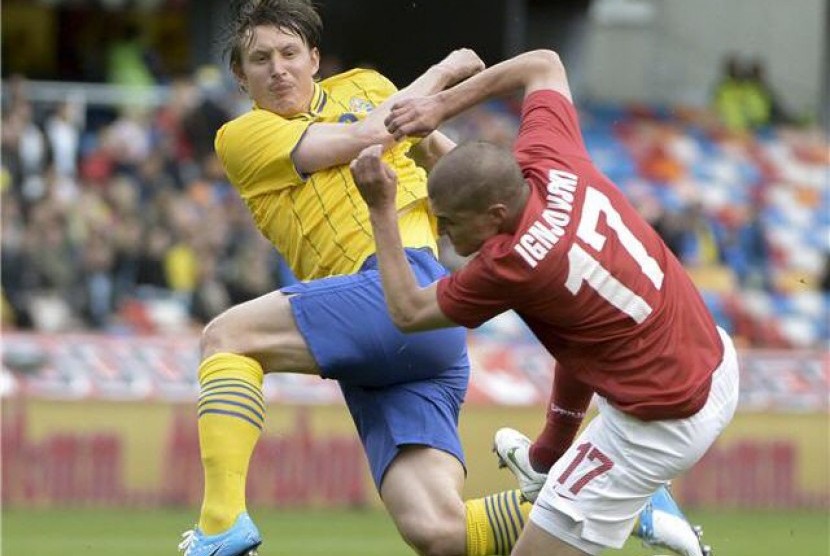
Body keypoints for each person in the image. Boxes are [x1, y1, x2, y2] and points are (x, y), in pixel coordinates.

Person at [178, 2, 536, 555]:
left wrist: (460, 158)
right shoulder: (243, 136)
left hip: (409, 289)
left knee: (225, 338)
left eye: (289, 53)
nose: (278, 68)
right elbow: (368, 135)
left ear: (314, 58)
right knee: (438, 532)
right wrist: (443, 74)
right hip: (377, 332)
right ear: (240, 77)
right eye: (260, 59)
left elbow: (450, 167)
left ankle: (221, 524)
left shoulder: (369, 84)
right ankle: (606, 492)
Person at [349, 48, 739, 556]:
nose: (442, 234)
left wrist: (381, 207)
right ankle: (560, 466)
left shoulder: (512, 265)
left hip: (656, 425)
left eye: (450, 223)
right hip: (711, 365)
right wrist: (438, 112)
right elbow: (546, 64)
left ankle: (637, 495)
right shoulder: (551, 161)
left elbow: (407, 311)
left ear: (493, 216)